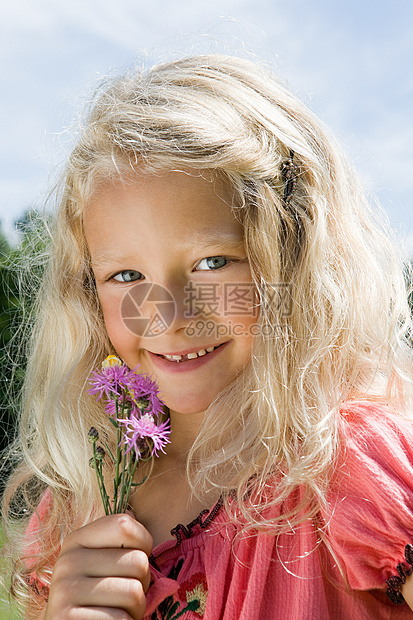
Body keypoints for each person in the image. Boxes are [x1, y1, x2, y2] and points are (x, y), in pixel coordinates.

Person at [1, 54, 413, 620]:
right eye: (126, 276)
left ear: (291, 263)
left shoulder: (350, 467)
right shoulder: (76, 504)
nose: (168, 315)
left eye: (213, 262)